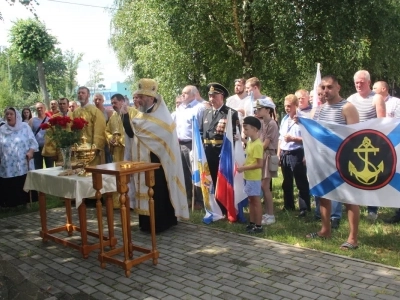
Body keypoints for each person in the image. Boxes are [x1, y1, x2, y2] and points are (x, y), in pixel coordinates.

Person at [124, 78, 189, 233]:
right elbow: (133, 136)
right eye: (137, 97)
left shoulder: (163, 118)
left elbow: (163, 138)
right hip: (141, 163)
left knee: (158, 191)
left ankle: (161, 223)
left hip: (158, 164)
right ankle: (145, 223)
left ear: (151, 98)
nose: (138, 100)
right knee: (143, 190)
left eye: (141, 97)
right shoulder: (138, 117)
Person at [306, 75, 360, 250]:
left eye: (329, 87)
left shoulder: (348, 108)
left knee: (349, 198)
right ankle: (325, 230)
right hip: (322, 161)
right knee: (323, 195)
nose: (325, 91)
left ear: (338, 87)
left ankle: (353, 238)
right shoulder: (318, 110)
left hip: (343, 161)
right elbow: (313, 135)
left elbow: (354, 137)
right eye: (323, 88)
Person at [347, 70, 386, 221]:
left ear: (369, 82)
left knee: (373, 179)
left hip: (373, 145)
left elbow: (382, 122)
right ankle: (354, 207)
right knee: (354, 176)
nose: (358, 85)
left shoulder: (376, 98)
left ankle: (372, 210)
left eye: (361, 82)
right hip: (355, 143)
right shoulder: (351, 99)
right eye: (356, 82)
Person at [200, 82, 239, 214]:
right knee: (209, 180)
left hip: (221, 153)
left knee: (220, 181)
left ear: (221, 96)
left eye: (214, 96)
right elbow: (201, 132)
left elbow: (233, 135)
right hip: (207, 152)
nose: (211, 99)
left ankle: (223, 207)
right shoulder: (206, 113)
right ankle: (211, 206)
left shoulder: (230, 113)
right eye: (210, 96)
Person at [277, 94, 310, 216]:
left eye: (289, 106)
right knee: (286, 181)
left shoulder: (302, 119)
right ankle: (288, 205)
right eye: (285, 106)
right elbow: (281, 138)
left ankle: (304, 208)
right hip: (285, 152)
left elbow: (308, 138)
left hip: (297, 152)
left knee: (300, 181)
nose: (287, 108)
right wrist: (278, 153)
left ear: (296, 105)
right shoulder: (285, 118)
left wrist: (294, 139)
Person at [173, 85, 205, 209]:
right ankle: (187, 198)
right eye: (182, 93)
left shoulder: (199, 108)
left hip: (193, 144)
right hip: (180, 143)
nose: (183, 95)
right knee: (184, 173)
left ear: (193, 94)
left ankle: (199, 201)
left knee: (195, 172)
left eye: (186, 93)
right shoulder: (180, 108)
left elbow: (202, 126)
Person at [0, 107, 38, 208]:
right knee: (11, 182)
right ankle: (12, 204)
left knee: (24, 180)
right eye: (7, 114)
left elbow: (33, 142)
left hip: (24, 160)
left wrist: (30, 152)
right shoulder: (2, 129)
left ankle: (26, 202)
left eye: (11, 114)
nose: (8, 116)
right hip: (8, 162)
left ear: (16, 116)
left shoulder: (24, 127)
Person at [255, 98, 279, 225]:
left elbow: (266, 143)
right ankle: (267, 213)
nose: (257, 111)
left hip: (268, 155)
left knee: (265, 186)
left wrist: (253, 151)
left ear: (268, 110)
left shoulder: (272, 124)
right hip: (262, 155)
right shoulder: (261, 123)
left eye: (260, 109)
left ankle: (271, 214)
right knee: (262, 186)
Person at [238, 116, 264, 233]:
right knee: (250, 200)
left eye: (246, 129)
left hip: (254, 177)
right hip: (247, 176)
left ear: (254, 129)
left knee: (256, 201)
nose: (244, 131)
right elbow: (249, 155)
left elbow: (259, 164)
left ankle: (259, 225)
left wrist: (243, 168)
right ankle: (252, 222)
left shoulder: (258, 144)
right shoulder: (250, 142)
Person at [72, 87, 106, 165]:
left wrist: (95, 147)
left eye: (83, 93)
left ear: (88, 95)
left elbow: (99, 130)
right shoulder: (75, 112)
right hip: (79, 148)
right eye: (79, 93)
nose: (80, 94)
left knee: (92, 172)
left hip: (91, 149)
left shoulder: (95, 111)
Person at [106, 93, 128, 208]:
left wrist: (119, 140)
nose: (113, 105)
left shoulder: (129, 113)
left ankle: (128, 200)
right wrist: (110, 139)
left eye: (115, 102)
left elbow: (131, 132)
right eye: (112, 103)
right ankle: (117, 201)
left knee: (128, 175)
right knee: (117, 175)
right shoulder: (113, 116)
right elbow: (107, 131)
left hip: (127, 150)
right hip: (116, 152)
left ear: (122, 101)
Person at [29, 102, 54, 169]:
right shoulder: (32, 120)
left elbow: (54, 133)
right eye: (38, 108)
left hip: (48, 147)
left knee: (50, 168)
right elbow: (29, 135)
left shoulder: (50, 120)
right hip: (37, 149)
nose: (40, 109)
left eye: (41, 107)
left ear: (45, 108)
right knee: (38, 168)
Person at [94, 93, 113, 163]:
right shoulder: (92, 112)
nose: (97, 101)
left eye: (99, 99)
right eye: (96, 99)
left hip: (106, 138)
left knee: (108, 156)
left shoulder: (108, 112)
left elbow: (111, 126)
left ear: (103, 101)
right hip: (95, 139)